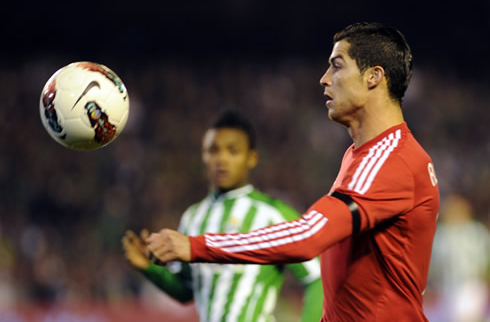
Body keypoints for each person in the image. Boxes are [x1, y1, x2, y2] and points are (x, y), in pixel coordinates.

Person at [145, 22, 441, 321]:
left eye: (337, 67)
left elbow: (308, 236)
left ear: (374, 77)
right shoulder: (362, 155)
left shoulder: (391, 160)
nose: (324, 79)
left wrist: (197, 245)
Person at [122, 109, 323, 322]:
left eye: (232, 151)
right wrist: (148, 268)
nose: (222, 159)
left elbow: (317, 279)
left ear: (252, 158)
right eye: (213, 150)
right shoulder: (192, 217)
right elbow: (186, 291)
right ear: (203, 156)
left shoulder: (272, 214)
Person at [425, 194, 489, 322]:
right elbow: (432, 268)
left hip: (471, 286)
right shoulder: (440, 235)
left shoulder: (477, 232)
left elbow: (486, 264)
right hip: (444, 289)